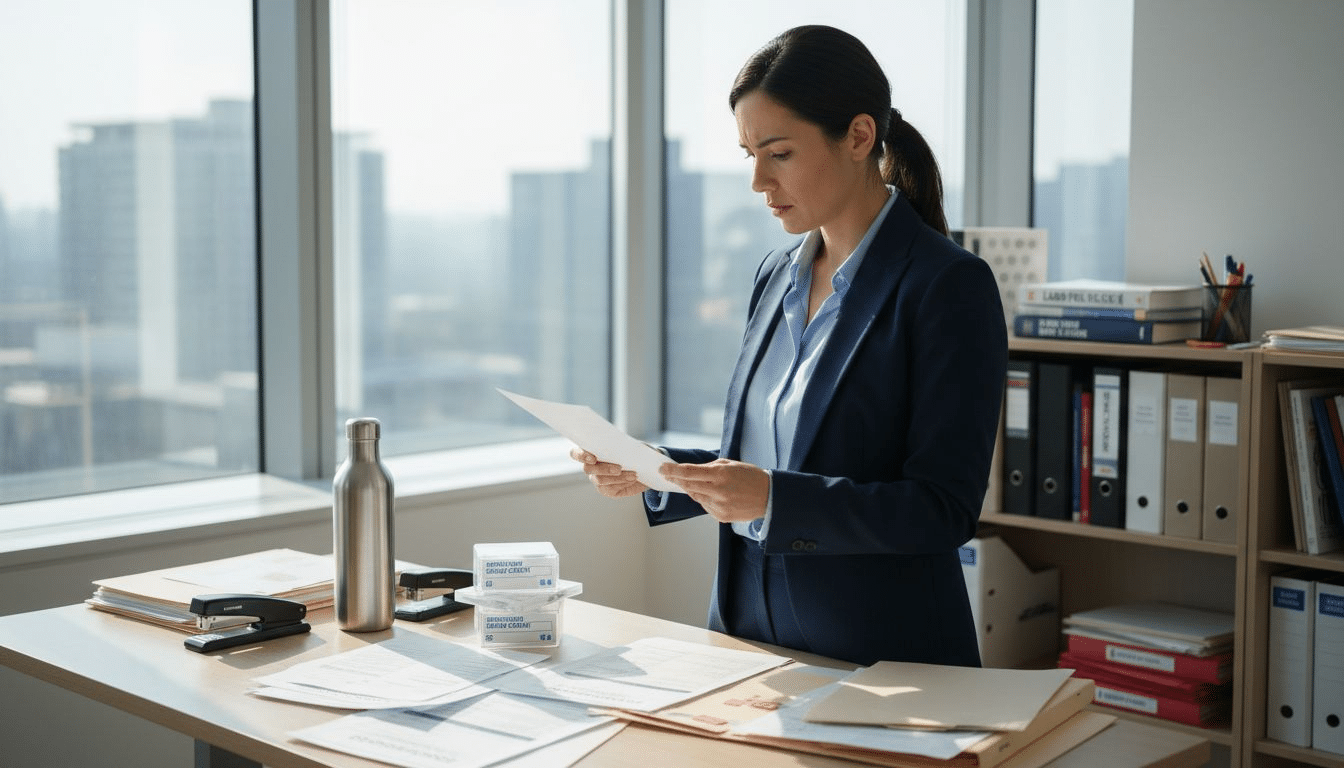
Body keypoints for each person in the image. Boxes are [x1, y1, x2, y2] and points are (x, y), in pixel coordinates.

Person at [573, 24, 1007, 668]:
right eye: (748, 153)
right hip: (748, 640)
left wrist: (775, 500)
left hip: (884, 660)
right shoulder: (776, 274)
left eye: (778, 153)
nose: (757, 180)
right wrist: (656, 468)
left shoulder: (947, 286)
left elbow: (942, 509)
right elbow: (767, 458)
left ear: (859, 136)